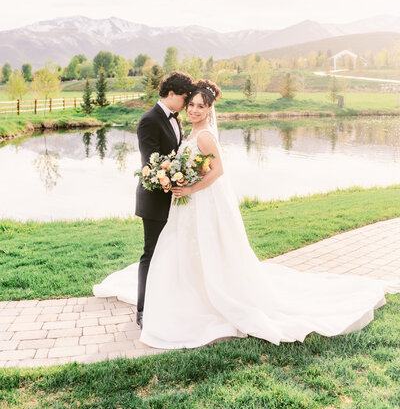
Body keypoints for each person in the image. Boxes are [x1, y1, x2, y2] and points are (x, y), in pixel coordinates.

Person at [94, 79, 399, 348]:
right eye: (192, 105)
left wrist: (188, 188)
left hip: (197, 202)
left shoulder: (204, 137)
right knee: (182, 253)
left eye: (200, 107)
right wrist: (181, 180)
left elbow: (219, 170)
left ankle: (203, 301)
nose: (194, 111)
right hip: (187, 208)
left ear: (209, 110)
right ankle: (182, 299)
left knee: (198, 252)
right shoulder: (192, 133)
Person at [133, 71, 194, 329]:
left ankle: (168, 301)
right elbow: (151, 162)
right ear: (171, 94)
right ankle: (143, 310)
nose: (187, 103)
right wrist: (176, 176)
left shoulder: (175, 119)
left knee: (171, 252)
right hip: (155, 199)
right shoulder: (149, 120)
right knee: (151, 253)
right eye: (184, 97)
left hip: (174, 199)